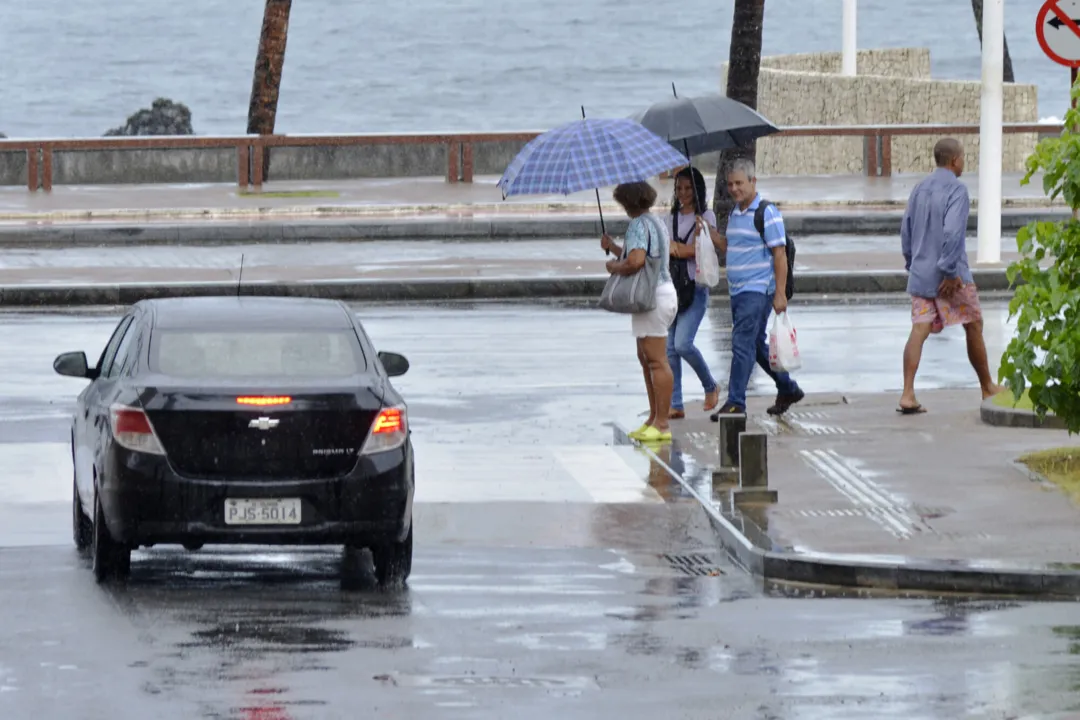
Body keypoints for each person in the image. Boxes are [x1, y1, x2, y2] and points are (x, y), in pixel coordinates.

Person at [898, 137, 1004, 414]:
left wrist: (913, 263)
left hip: (920, 273)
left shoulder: (919, 189)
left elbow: (906, 231)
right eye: (963, 158)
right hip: (952, 275)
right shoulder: (957, 190)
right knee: (974, 324)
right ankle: (987, 386)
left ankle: (907, 393)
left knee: (919, 328)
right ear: (955, 160)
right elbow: (953, 232)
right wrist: (949, 271)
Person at [705, 158, 804, 418]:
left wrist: (780, 293)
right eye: (730, 184)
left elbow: (779, 254)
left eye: (739, 183)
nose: (735, 189)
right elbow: (732, 247)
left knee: (741, 342)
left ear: (753, 182)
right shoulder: (736, 214)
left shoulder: (766, 212)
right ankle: (788, 388)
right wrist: (712, 235)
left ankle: (736, 401)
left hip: (758, 290)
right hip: (737, 291)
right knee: (755, 345)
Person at [601, 181, 678, 443]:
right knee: (646, 357)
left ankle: (662, 423)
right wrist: (613, 247)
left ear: (627, 203)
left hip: (653, 296)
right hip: (660, 294)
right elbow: (639, 253)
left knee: (656, 360)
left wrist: (613, 267)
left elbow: (636, 261)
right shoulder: (654, 222)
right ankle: (654, 418)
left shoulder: (637, 225)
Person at [665, 166, 720, 419]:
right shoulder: (671, 217)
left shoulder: (706, 216)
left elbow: (700, 250)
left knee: (683, 344)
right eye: (679, 189)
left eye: (688, 188)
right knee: (670, 349)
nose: (683, 193)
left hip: (695, 289)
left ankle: (710, 386)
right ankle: (675, 403)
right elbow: (666, 249)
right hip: (673, 289)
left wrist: (679, 248)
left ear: (698, 189)